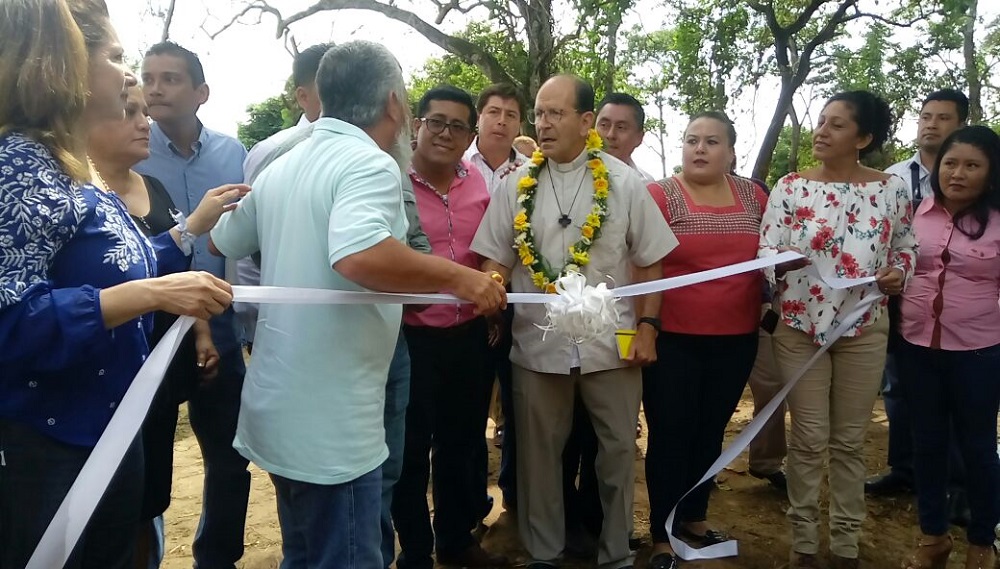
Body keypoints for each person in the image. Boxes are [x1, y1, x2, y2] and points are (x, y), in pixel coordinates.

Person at [209, 40, 506, 566]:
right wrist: (461, 280)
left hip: (278, 412)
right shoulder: (370, 164)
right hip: (333, 430)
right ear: (394, 103)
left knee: (302, 554)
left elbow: (222, 240)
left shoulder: (283, 164)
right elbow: (359, 254)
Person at [0, 2, 235, 566]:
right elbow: (11, 319)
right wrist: (153, 295)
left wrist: (178, 247)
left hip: (110, 428)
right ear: (62, 66)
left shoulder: (72, 167)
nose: (130, 77)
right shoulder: (20, 167)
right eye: (115, 57)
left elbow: (115, 265)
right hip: (52, 445)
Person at [471, 74, 678, 569]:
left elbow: (650, 261)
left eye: (555, 113)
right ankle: (544, 553)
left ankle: (615, 554)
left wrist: (649, 328)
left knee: (616, 454)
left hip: (613, 345)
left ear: (587, 122)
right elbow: (493, 257)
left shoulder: (626, 182)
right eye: (539, 113)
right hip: (538, 347)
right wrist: (494, 284)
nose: (542, 123)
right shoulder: (516, 185)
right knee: (539, 458)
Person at [85, 85, 246, 566]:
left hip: (159, 358)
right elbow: (122, 279)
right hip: (110, 368)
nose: (144, 120)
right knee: (110, 498)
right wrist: (194, 224)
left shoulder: (150, 188)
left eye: (143, 112)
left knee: (149, 488)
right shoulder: (82, 196)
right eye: (129, 111)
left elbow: (170, 272)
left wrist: (198, 330)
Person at [759, 90, 917, 569]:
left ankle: (845, 545)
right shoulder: (789, 186)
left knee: (849, 441)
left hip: (864, 327)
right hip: (800, 327)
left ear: (864, 138)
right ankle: (804, 545)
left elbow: (907, 248)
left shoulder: (891, 190)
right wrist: (781, 264)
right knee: (808, 438)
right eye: (821, 121)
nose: (821, 131)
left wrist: (898, 275)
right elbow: (766, 249)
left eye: (836, 125)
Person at [135, 40, 251, 568]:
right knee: (144, 458)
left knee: (229, 456)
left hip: (218, 321)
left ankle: (216, 559)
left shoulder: (234, 154)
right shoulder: (129, 151)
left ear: (201, 92)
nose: (155, 88)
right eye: (148, 77)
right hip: (146, 324)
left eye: (171, 78)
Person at [643, 111, 768, 569]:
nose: (699, 148)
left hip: (736, 341)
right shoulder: (660, 195)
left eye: (712, 141)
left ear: (731, 152)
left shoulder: (755, 197)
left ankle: (694, 518)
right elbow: (644, 263)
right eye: (691, 140)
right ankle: (661, 535)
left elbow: (774, 252)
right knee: (670, 434)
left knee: (710, 431)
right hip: (673, 340)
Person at [392, 85, 507, 569]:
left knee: (462, 445)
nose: (446, 133)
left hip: (469, 336)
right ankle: (415, 549)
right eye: (435, 122)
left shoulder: (479, 185)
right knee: (410, 450)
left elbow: (490, 252)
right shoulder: (391, 181)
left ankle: (457, 540)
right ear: (417, 125)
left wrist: (494, 300)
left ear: (469, 134)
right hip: (411, 336)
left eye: (458, 125)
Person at [897, 125, 1000, 569]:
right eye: (951, 164)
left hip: (979, 353)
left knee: (978, 448)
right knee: (927, 444)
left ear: (990, 174)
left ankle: (981, 541)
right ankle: (933, 537)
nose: (957, 174)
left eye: (972, 165)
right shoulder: (914, 213)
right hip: (916, 347)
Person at [868, 89, 970, 498]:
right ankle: (905, 469)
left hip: (956, 300)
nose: (931, 124)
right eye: (925, 116)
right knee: (898, 385)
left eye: (943, 117)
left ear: (961, 124)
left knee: (957, 393)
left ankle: (959, 485)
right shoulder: (892, 177)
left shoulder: (974, 180)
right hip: (898, 296)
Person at [463, 82, 527, 515]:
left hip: (523, 306)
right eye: (493, 112)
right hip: (462, 308)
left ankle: (518, 495)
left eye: (510, 114)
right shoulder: (455, 167)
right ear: (479, 119)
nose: (501, 121)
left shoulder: (536, 173)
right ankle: (468, 504)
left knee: (520, 407)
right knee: (467, 411)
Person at [595, 92, 654, 181]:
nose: (610, 135)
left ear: (639, 138)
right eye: (604, 125)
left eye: (621, 127)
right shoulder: (571, 174)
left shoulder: (646, 185)